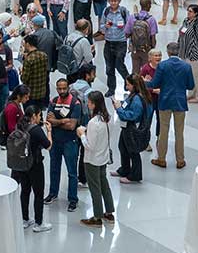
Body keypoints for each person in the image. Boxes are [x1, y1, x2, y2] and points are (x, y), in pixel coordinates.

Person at [148, 41, 194, 169]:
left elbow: (155, 84)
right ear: (179, 51)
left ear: (168, 52)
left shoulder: (162, 66)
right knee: (179, 132)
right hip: (180, 101)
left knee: (164, 131)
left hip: (165, 101)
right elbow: (190, 86)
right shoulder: (186, 66)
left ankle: (161, 159)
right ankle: (180, 160)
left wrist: (145, 82)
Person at [44, 77, 83, 212]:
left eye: (64, 88)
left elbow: (72, 126)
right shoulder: (53, 101)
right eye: (59, 88)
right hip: (55, 141)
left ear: (68, 88)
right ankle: (52, 193)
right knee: (54, 168)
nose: (61, 91)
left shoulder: (75, 103)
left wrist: (56, 121)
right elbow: (48, 121)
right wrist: (62, 121)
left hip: (70, 142)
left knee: (72, 172)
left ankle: (73, 199)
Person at [77, 90, 116, 226]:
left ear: (93, 104)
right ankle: (109, 212)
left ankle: (97, 217)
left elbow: (89, 146)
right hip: (103, 157)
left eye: (88, 102)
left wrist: (82, 134)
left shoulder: (94, 122)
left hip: (92, 160)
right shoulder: (108, 118)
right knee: (104, 184)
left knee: (95, 188)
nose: (87, 104)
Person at [14, 104, 52, 232]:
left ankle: (25, 219)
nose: (40, 117)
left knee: (25, 191)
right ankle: (39, 223)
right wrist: (49, 131)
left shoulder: (20, 125)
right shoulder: (36, 130)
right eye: (39, 115)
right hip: (35, 165)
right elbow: (48, 145)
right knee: (38, 193)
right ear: (34, 116)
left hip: (22, 164)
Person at [114, 74, 151, 184]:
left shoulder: (137, 99)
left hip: (132, 129)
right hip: (127, 128)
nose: (126, 86)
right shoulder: (134, 96)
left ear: (134, 85)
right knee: (123, 147)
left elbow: (132, 115)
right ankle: (124, 169)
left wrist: (119, 109)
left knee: (133, 152)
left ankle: (135, 175)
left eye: (128, 84)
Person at [99, 0, 132, 95]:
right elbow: (101, 26)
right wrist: (105, 27)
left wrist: (130, 41)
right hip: (108, 43)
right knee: (109, 68)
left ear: (119, 1)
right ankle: (111, 89)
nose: (113, 3)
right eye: (111, 1)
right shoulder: (106, 11)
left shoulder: (123, 11)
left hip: (121, 43)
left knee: (119, 64)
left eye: (115, 1)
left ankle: (128, 82)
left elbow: (130, 26)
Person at [180, 4, 198, 104]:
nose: (188, 13)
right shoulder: (185, 21)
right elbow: (181, 35)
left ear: (196, 13)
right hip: (185, 53)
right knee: (190, 75)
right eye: (188, 10)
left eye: (191, 11)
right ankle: (191, 94)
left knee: (197, 76)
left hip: (195, 54)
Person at [20, 33, 51, 111]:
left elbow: (24, 79)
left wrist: (22, 71)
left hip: (30, 93)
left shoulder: (29, 59)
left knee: (29, 114)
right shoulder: (44, 55)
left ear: (28, 44)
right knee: (38, 113)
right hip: (41, 91)